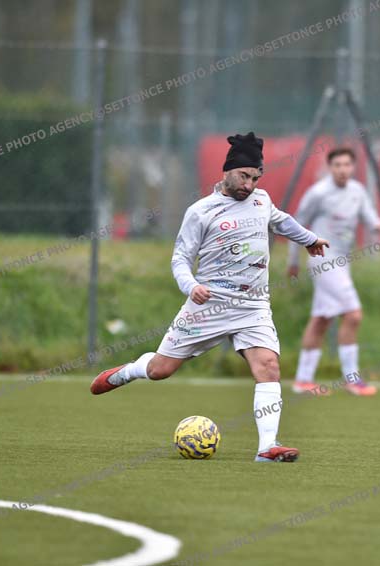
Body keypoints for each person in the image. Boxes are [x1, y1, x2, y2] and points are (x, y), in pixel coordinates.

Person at [90, 132, 329, 463]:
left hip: (253, 305)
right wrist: (191, 287)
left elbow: (281, 221)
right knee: (161, 370)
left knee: (269, 366)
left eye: (255, 178)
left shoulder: (261, 200)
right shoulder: (201, 211)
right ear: (227, 170)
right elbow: (180, 259)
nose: (249, 184)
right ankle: (129, 371)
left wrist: (309, 239)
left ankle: (267, 448)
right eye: (244, 176)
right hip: (209, 305)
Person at [286, 147, 380, 396]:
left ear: (353, 167)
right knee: (353, 314)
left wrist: (379, 225)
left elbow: (370, 218)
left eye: (347, 165)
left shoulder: (357, 191)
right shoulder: (318, 193)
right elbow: (295, 225)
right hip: (323, 260)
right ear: (330, 167)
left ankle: (303, 380)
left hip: (342, 262)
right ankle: (352, 378)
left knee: (321, 319)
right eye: (337, 165)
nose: (342, 169)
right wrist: (293, 261)